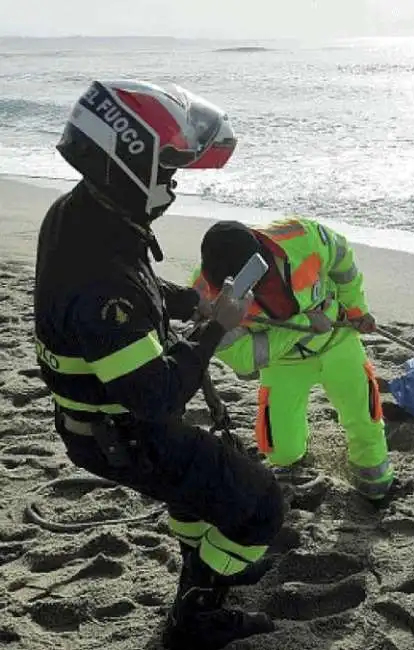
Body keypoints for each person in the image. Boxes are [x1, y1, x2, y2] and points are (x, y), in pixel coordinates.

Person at [33, 79, 286, 650]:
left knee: (200, 492)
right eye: (167, 168)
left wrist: (189, 303)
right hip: (125, 430)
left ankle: (208, 565)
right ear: (128, 163)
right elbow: (160, 396)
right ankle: (195, 617)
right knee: (260, 507)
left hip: (104, 423)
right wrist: (218, 324)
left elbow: (137, 285)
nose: (172, 182)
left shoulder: (80, 216)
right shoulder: (101, 278)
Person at [189, 218, 395, 502]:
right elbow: (246, 359)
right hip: (284, 362)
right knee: (282, 450)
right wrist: (304, 322)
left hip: (338, 341)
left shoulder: (302, 236)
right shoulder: (204, 298)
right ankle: (292, 461)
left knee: (364, 416)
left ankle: (375, 481)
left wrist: (356, 308)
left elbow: (342, 260)